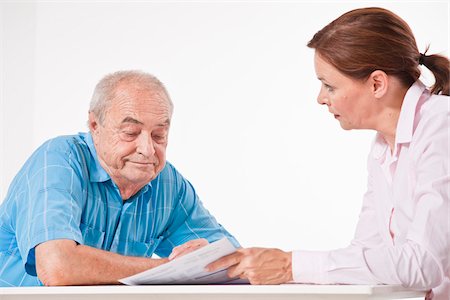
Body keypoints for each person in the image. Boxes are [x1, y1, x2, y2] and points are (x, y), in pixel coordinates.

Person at [205, 7, 449, 300]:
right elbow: (365, 256)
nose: (321, 99)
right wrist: (240, 264)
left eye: (329, 86)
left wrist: (289, 266)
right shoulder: (384, 148)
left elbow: (424, 264)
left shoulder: (441, 129)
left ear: (377, 83)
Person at [0, 70, 239, 286]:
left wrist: (255, 262)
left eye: (158, 135)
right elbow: (58, 266)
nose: (147, 149)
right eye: (130, 133)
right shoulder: (58, 160)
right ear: (95, 124)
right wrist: (173, 269)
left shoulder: (168, 183)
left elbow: (233, 261)